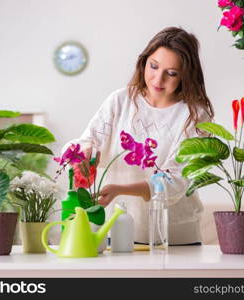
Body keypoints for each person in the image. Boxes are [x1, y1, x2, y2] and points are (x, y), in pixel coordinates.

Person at [62, 27, 214, 245]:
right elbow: (88, 141)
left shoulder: (195, 115)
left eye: (171, 73)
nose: (157, 79)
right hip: (118, 232)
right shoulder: (120, 101)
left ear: (185, 75)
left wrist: (120, 190)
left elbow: (177, 179)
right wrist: (83, 155)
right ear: (144, 62)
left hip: (176, 239)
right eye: (153, 66)